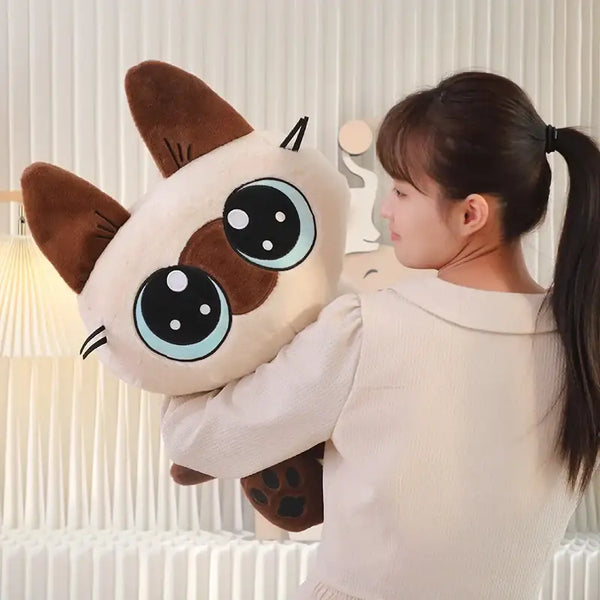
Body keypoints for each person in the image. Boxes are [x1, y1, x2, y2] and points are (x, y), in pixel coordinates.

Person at [160, 71, 600, 599]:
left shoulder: (370, 331)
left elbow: (202, 441)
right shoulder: (580, 344)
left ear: (470, 214)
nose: (386, 208)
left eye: (402, 191)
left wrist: (178, 346)